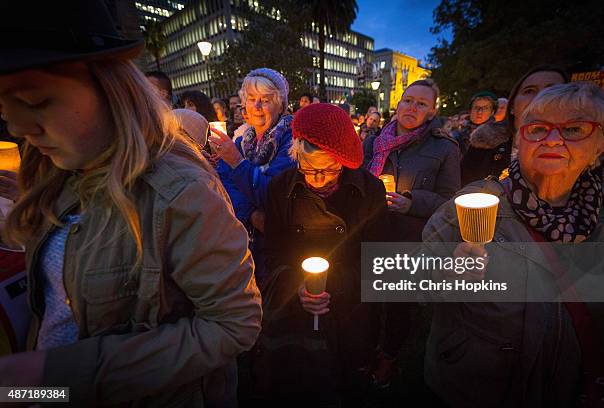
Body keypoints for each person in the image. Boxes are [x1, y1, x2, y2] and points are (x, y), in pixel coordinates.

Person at [0, 1, 262, 405]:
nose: (18, 126)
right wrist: (34, 384)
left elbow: (234, 323)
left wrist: (62, 372)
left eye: (36, 101)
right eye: (4, 106)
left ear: (110, 88)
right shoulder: (52, 168)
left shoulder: (181, 191)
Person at [423, 81, 604, 407]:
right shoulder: (476, 202)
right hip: (480, 389)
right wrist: (447, 275)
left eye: (575, 128)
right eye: (538, 128)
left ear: (602, 143)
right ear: (519, 139)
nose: (553, 139)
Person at [256, 103, 388, 405]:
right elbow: (273, 252)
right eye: (307, 168)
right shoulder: (281, 188)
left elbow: (377, 262)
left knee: (345, 383)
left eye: (327, 169)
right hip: (296, 310)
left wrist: (335, 284)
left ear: (343, 161)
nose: (316, 178)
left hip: (350, 308)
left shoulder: (369, 191)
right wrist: (297, 286)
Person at [211, 68, 295, 285]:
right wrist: (251, 214)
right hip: (245, 247)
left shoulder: (291, 142)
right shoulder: (242, 140)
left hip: (278, 253)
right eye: (251, 99)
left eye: (265, 100)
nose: (256, 107)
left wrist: (237, 163)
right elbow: (223, 187)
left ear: (280, 105)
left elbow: (272, 196)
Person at [363, 78, 461, 239]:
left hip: (413, 240)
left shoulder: (445, 148)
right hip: (370, 232)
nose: (412, 108)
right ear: (399, 105)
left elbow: (449, 202)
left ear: (432, 113)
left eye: (421, 104)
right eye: (408, 101)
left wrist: (412, 203)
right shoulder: (373, 143)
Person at [460, 65, 568, 187]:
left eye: (553, 90)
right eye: (530, 91)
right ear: (512, 106)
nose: (541, 97)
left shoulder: (581, 150)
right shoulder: (484, 144)